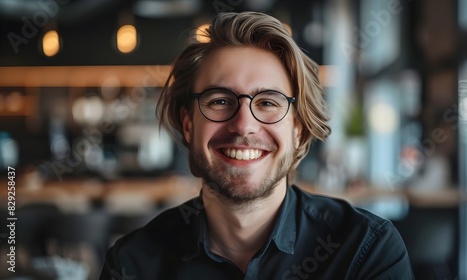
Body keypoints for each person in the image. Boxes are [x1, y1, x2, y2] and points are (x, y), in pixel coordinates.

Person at [100, 11, 414, 279]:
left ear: (298, 130)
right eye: (220, 101)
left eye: (267, 102)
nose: (243, 125)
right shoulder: (132, 265)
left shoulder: (365, 251)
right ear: (188, 125)